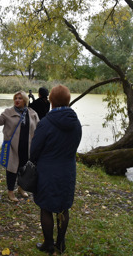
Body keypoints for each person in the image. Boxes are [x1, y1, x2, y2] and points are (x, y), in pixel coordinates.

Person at [30, 84, 82, 254]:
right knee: (63, 208)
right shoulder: (76, 123)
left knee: (46, 208)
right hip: (68, 170)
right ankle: (61, 243)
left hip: (47, 171)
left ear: (51, 100)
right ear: (68, 100)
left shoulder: (45, 123)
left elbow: (34, 150)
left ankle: (48, 244)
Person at [0, 91, 39, 202]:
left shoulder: (32, 113)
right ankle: (10, 192)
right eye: (15, 98)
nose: (17, 100)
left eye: (20, 98)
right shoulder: (8, 112)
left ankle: (21, 188)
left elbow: (38, 128)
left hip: (27, 147)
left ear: (25, 100)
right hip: (12, 147)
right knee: (12, 170)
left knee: (25, 169)